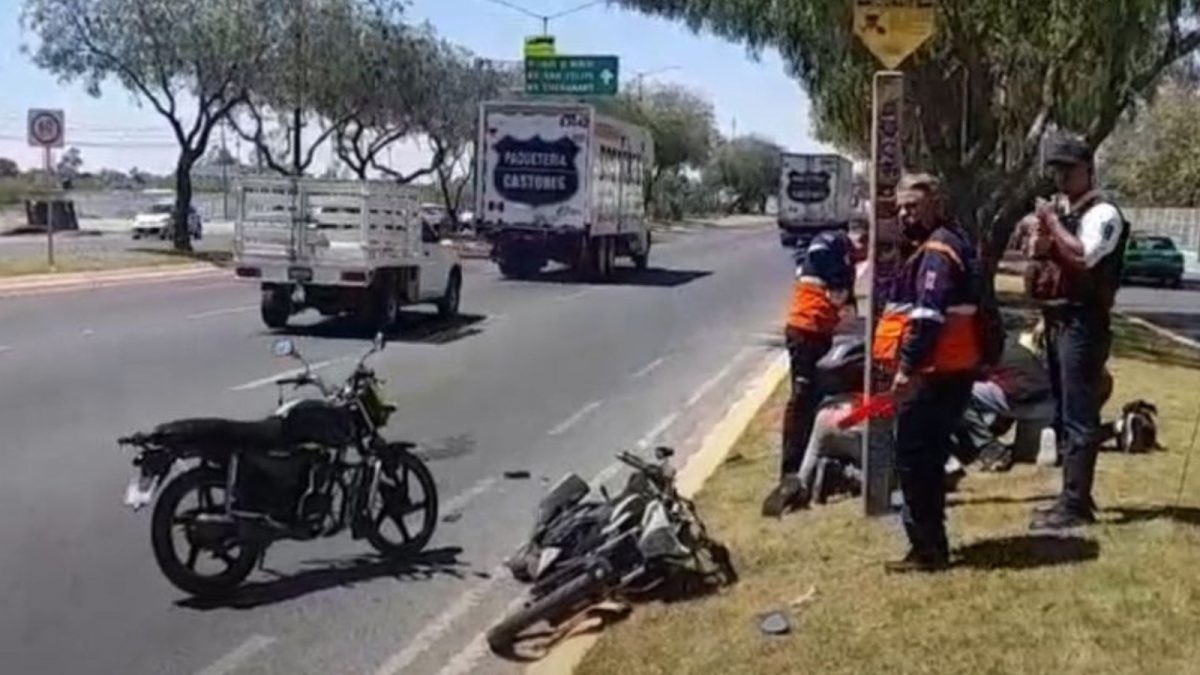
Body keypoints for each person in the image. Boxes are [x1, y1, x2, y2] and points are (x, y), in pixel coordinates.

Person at [873, 173, 983, 573]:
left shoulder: (937, 250)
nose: (905, 214)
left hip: (934, 372)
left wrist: (907, 368)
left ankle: (927, 550)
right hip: (947, 370)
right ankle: (932, 544)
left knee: (915, 461)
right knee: (928, 460)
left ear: (936, 203)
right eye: (900, 208)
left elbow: (927, 317)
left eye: (913, 206)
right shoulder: (945, 242)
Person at [1026, 134, 1129, 530]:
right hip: (1059, 319)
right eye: (1056, 170)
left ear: (1088, 169)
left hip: (1084, 323)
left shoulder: (1104, 214)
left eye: (1068, 169)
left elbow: (1084, 257)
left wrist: (1051, 225)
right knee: (1064, 411)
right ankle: (1073, 496)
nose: (1061, 178)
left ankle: (1074, 504)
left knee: (1079, 414)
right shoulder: (1065, 212)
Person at [762, 224, 868, 516]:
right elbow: (840, 296)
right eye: (864, 249)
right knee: (802, 398)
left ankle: (805, 464)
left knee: (812, 398)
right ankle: (791, 472)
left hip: (811, 328)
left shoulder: (828, 246)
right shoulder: (838, 246)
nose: (863, 257)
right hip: (808, 328)